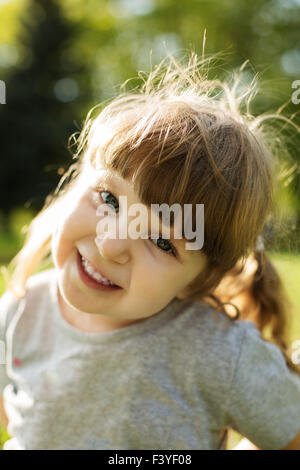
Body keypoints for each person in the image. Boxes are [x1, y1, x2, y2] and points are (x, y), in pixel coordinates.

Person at [0, 53, 300, 450]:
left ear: (202, 278)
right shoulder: (21, 310)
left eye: (162, 241)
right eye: (109, 198)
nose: (111, 244)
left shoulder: (220, 353)